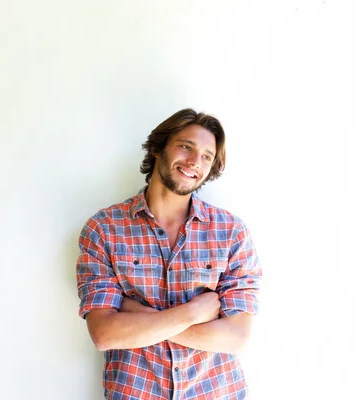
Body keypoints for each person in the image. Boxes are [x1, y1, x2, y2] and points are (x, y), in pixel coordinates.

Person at [75, 108, 261, 400]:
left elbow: (237, 335)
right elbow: (104, 334)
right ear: (159, 149)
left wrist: (139, 316)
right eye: (186, 147)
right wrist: (193, 313)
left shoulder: (231, 232)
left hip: (216, 392)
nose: (193, 162)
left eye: (206, 156)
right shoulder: (104, 229)